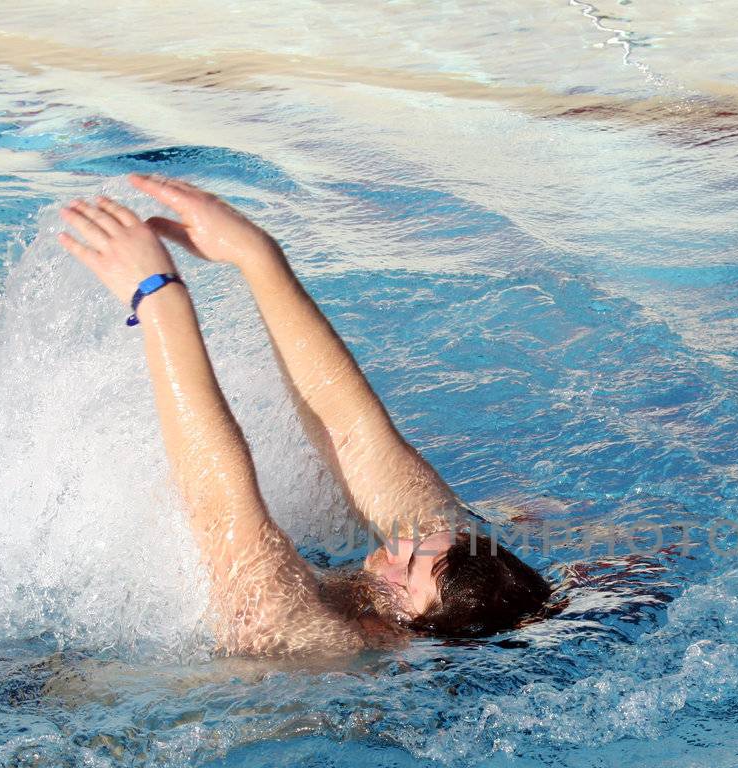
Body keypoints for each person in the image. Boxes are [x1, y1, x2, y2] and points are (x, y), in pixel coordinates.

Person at [56, 174, 551, 658]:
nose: (400, 543)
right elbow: (351, 434)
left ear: (409, 637)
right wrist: (256, 253)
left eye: (409, 569)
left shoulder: (307, 637)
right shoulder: (447, 563)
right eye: (421, 542)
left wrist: (159, 298)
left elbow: (218, 504)